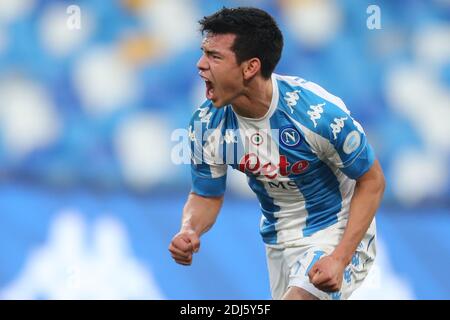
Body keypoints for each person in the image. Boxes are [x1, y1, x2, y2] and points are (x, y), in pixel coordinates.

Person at [168, 7, 385, 300]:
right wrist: (189, 229)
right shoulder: (208, 124)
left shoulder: (315, 116)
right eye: (204, 53)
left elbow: (372, 181)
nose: (200, 65)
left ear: (250, 67)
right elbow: (207, 194)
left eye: (214, 56)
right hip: (278, 241)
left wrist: (340, 257)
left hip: (335, 230)